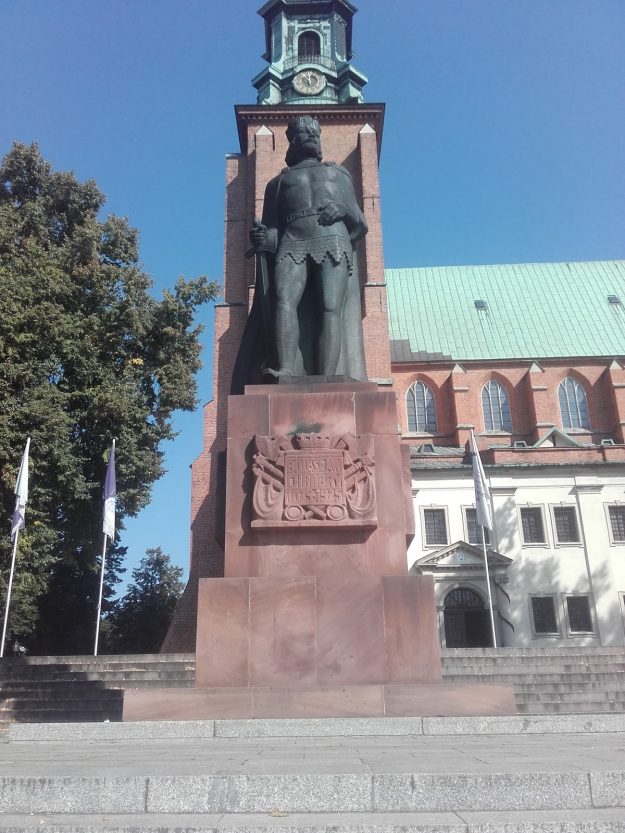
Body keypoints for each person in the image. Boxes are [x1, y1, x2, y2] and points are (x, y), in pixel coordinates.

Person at [231, 115, 368, 391]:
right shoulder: (277, 184)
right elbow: (273, 228)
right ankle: (284, 368)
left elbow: (360, 222)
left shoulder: (339, 174)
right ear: (292, 141)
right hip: (292, 241)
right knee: (283, 300)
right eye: (305, 133)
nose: (312, 136)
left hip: (332, 240)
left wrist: (343, 210)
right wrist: (264, 237)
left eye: (315, 133)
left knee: (330, 308)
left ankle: (327, 376)